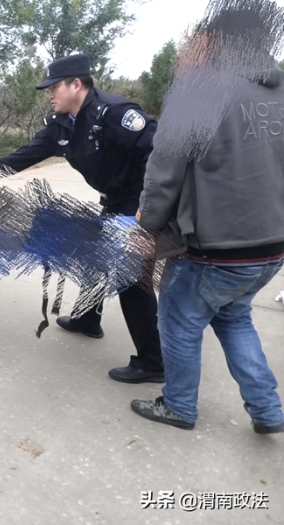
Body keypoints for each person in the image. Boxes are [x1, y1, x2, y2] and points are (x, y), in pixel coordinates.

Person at [131, 5, 284, 433]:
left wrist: (147, 228)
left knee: (178, 320)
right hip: (270, 248)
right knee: (234, 318)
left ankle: (178, 406)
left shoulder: (200, 91)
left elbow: (164, 174)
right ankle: (268, 412)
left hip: (215, 249)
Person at [0, 53, 163, 384]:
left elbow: (159, 153)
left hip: (137, 202)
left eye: (54, 87)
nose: (49, 94)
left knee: (130, 280)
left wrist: (149, 209)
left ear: (76, 84)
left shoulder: (116, 114)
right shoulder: (61, 124)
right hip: (114, 199)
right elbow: (25, 155)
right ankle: (87, 318)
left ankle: (153, 362)